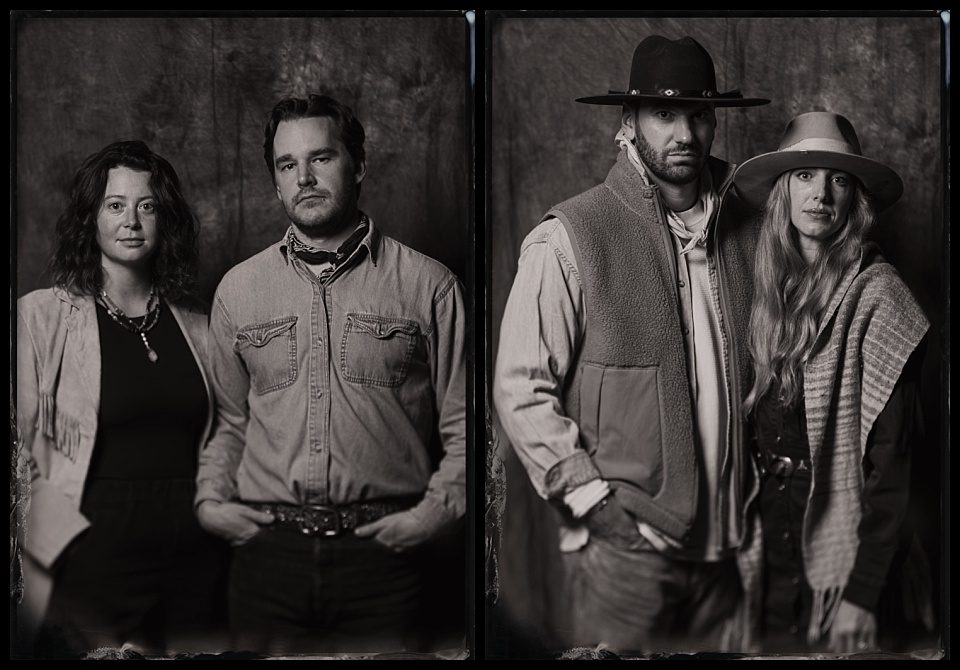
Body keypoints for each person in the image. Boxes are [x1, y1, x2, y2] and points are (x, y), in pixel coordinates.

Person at [493, 35, 770, 655]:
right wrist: (599, 508)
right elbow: (520, 388)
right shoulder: (570, 236)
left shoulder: (750, 229)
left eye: (699, 114)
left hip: (728, 554)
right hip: (628, 553)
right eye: (664, 114)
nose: (685, 134)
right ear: (629, 122)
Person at [194, 94, 466, 655]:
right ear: (276, 182)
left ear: (358, 164)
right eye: (287, 165)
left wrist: (431, 518)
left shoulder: (430, 286)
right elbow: (229, 422)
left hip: (386, 561)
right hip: (267, 560)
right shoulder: (238, 291)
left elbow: (467, 429)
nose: (304, 178)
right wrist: (211, 502)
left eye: (320, 158)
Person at [15, 140, 227, 658]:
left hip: (195, 566)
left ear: (164, 219)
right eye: (115, 205)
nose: (131, 221)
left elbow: (228, 440)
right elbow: (16, 455)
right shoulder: (39, 318)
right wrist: (51, 547)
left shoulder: (201, 325)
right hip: (89, 568)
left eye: (146, 206)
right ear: (91, 218)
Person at [734, 111, 931, 654]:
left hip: (844, 545)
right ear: (783, 191)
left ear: (853, 200)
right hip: (768, 533)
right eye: (805, 176)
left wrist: (862, 592)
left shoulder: (881, 299)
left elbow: (893, 468)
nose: (821, 194)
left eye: (838, 180)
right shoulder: (765, 292)